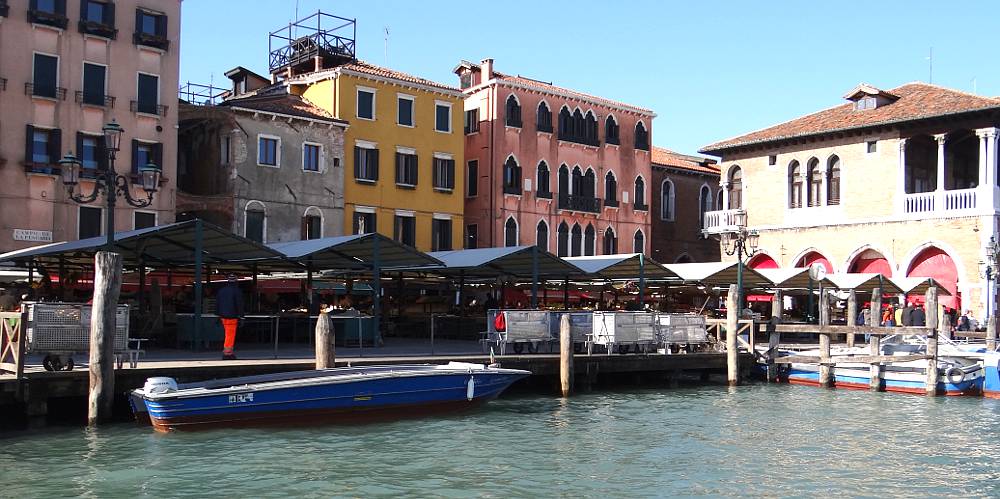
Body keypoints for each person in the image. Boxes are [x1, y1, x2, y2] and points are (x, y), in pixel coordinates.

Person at [215, 274, 244, 360]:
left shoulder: (221, 291)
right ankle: (227, 353)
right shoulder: (237, 291)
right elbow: (239, 304)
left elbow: (217, 303)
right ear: (236, 281)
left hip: (223, 316)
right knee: (230, 335)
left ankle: (227, 351)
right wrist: (242, 316)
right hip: (232, 316)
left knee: (227, 334)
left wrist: (218, 315)